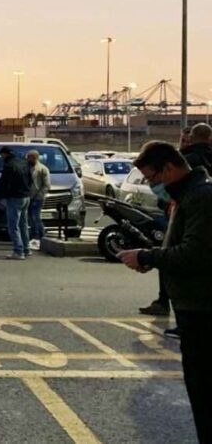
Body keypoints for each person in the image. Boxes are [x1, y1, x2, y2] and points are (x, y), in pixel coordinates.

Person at [118, 141, 212, 443]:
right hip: (194, 308)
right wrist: (154, 257)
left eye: (153, 179)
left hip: (203, 310)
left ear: (169, 168)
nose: (152, 186)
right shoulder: (190, 195)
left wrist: (148, 256)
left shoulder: (201, 198)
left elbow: (195, 254)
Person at [0, 146, 33, 260]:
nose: (1, 157)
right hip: (26, 196)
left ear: (5, 154)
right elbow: (30, 179)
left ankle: (18, 251)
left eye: (1, 155)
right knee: (23, 224)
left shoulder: (9, 166)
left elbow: (3, 182)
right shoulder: (23, 163)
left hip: (14, 197)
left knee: (13, 226)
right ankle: (27, 249)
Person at [26, 150, 51, 251]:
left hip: (38, 198)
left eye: (30, 157)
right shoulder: (27, 167)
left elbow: (47, 185)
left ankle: (40, 236)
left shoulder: (42, 169)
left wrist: (39, 195)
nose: (28, 159)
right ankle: (35, 236)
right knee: (31, 218)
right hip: (28, 197)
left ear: (35, 158)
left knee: (35, 217)